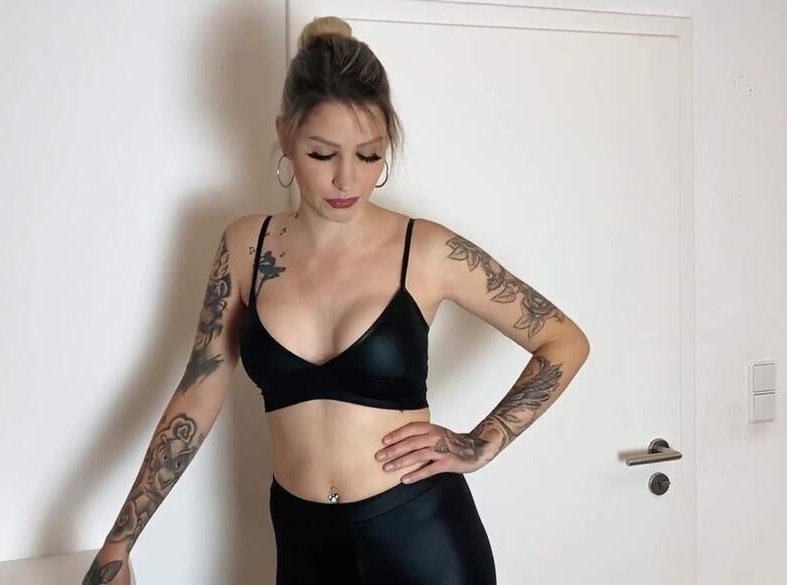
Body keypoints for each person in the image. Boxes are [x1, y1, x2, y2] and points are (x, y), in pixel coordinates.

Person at [82, 15, 590, 585]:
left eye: (369, 155)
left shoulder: (426, 250)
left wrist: (482, 442)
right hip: (304, 544)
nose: (347, 180)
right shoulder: (246, 247)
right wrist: (120, 542)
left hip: (424, 537)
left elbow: (563, 340)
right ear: (285, 136)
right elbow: (197, 392)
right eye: (323, 155)